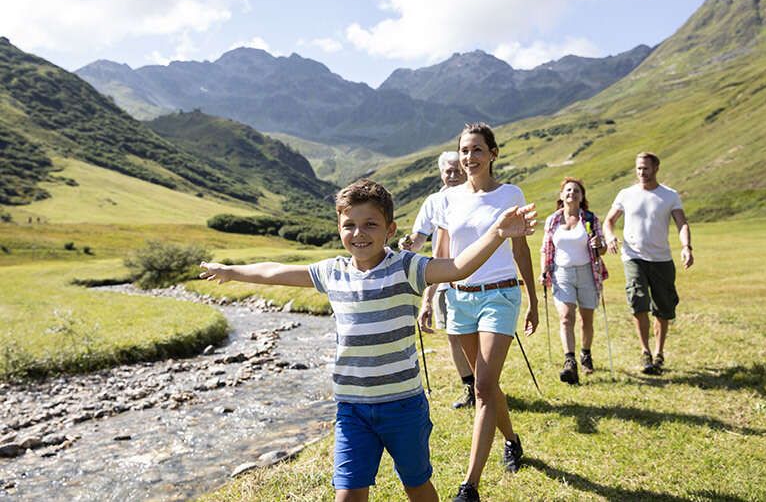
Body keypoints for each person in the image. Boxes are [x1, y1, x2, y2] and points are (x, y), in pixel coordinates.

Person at [200, 179, 537, 502]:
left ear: (390, 230)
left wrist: (498, 232)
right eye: (349, 225)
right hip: (351, 408)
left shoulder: (406, 267)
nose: (358, 234)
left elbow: (459, 266)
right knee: (347, 494)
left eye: (370, 225)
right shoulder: (333, 272)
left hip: (403, 405)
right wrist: (232, 271)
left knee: (417, 486)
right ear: (339, 228)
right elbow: (275, 272)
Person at [423, 123, 539, 502]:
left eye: (477, 150)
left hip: (500, 296)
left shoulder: (510, 194)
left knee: (484, 387)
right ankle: (512, 439)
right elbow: (441, 256)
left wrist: (534, 300)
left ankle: (469, 486)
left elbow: (521, 250)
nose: (469, 157)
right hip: (459, 298)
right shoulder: (447, 198)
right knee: (484, 385)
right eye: (464, 150)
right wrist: (428, 298)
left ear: (493, 154)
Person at [603, 152, 694, 375]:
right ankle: (645, 352)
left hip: (661, 259)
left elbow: (682, 223)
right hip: (633, 256)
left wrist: (686, 247)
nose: (641, 172)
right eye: (638, 168)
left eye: (645, 168)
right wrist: (610, 236)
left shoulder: (669, 196)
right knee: (638, 300)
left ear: (656, 168)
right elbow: (609, 221)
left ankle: (659, 352)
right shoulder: (626, 194)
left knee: (663, 309)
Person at [400, 151, 475, 409]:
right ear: (441, 173)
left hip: (475, 275)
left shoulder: (474, 195)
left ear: (465, 170)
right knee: (454, 335)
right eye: (448, 171)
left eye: (457, 170)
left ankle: (485, 384)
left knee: (475, 334)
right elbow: (419, 238)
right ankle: (470, 387)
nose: (453, 175)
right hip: (444, 277)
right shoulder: (433, 201)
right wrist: (407, 244)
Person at [539, 177, 607, 385]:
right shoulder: (553, 220)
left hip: (587, 272)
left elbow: (602, 249)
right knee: (566, 317)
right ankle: (570, 362)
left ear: (582, 196)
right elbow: (545, 249)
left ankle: (585, 353)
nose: (572, 194)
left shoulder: (590, 219)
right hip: (562, 273)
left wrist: (599, 243)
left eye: (576, 191)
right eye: (568, 191)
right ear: (561, 196)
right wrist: (544, 270)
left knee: (586, 319)